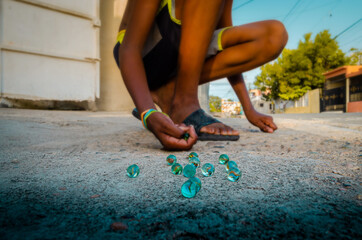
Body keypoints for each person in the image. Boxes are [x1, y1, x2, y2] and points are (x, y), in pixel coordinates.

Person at [114, 0, 288, 150]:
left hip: (180, 56)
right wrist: (147, 112)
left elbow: (226, 43)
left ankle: (169, 91)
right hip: (145, 58)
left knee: (273, 36)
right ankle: (183, 102)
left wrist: (249, 109)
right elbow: (129, 48)